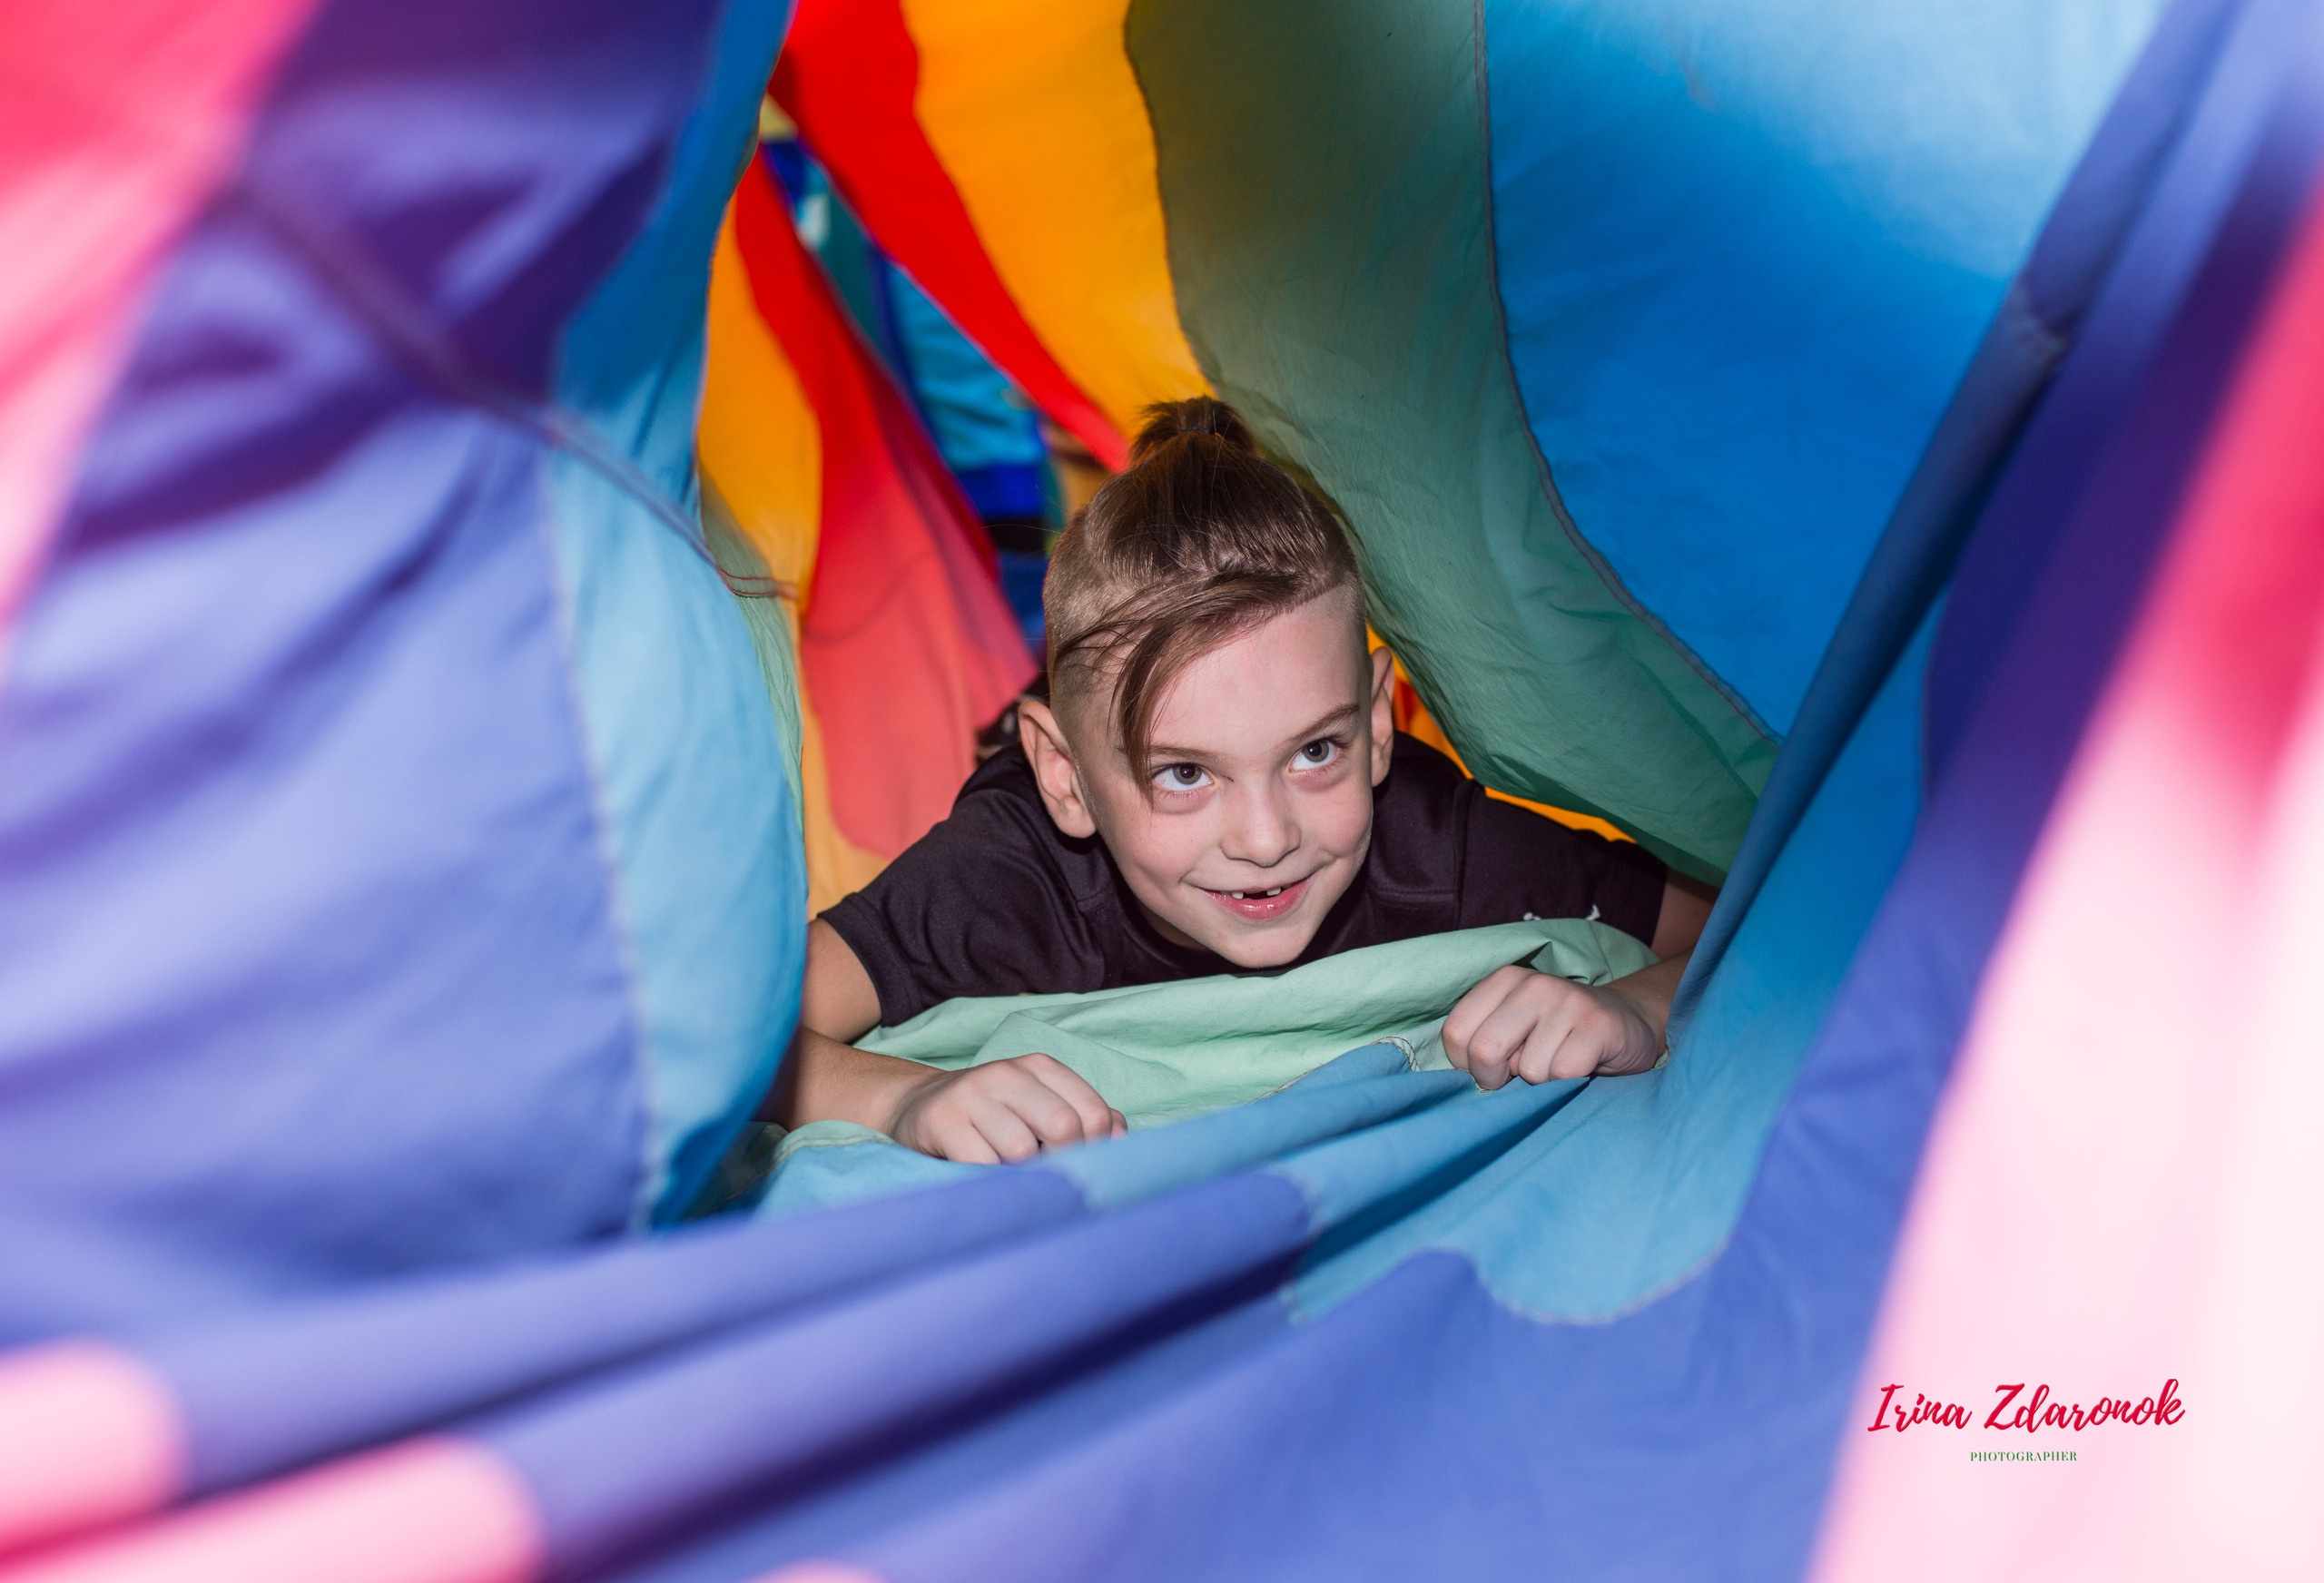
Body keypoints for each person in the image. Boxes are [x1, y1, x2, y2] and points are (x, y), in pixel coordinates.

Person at [769, 398, 1716, 1162]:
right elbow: (729, 1046)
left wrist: (1632, 1008)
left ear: (1379, 722)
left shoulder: (1429, 839)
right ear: (1063, 775)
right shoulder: (1006, 874)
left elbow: (1761, 926)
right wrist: (907, 1101)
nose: (1265, 839)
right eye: (1184, 773)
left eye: (1314, 752)